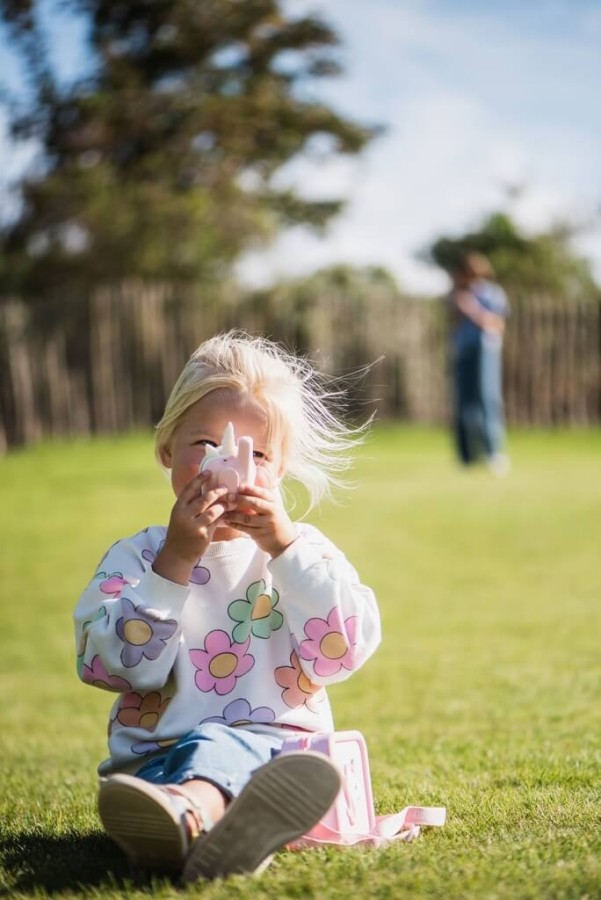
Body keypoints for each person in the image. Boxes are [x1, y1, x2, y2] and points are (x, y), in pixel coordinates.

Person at [74, 330, 381, 882]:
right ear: (167, 450)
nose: (229, 466)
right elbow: (114, 667)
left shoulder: (303, 552)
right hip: (156, 764)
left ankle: (199, 822)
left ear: (280, 469)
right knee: (212, 744)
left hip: (282, 763)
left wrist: (284, 549)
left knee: (259, 757)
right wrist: (173, 563)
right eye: (206, 445)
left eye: (255, 453)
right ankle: (199, 816)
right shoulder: (137, 557)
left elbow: (342, 652)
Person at [447, 252, 510, 474]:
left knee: (487, 399)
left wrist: (472, 310)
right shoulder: (458, 294)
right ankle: (465, 457)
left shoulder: (492, 293)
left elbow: (496, 323)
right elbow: (453, 324)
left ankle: (493, 452)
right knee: (463, 403)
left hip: (486, 350)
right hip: (463, 350)